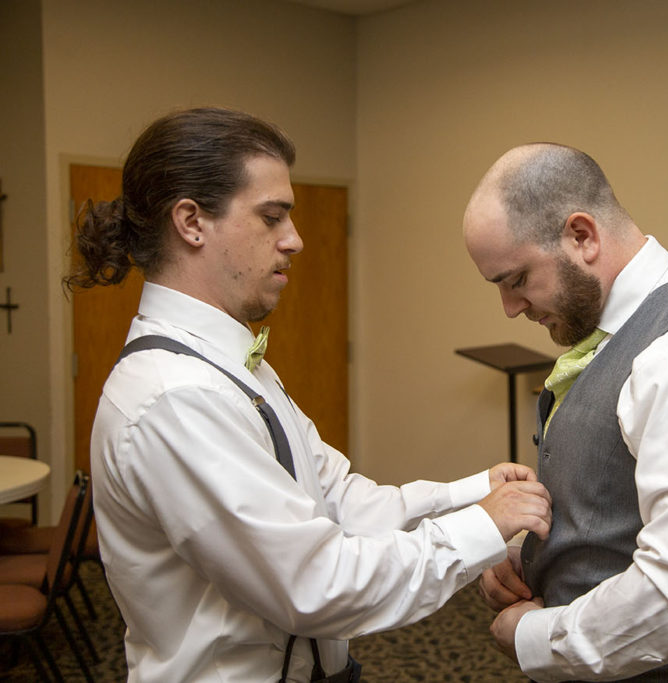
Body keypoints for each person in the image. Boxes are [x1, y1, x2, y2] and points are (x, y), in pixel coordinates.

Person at [65, 107, 552, 682]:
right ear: (191, 222)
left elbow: (340, 502)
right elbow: (315, 585)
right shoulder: (175, 397)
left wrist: (474, 494)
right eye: (272, 217)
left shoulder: (230, 365)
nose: (294, 240)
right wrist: (481, 528)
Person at [463, 143, 668, 682]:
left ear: (581, 236)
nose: (510, 308)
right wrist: (530, 556)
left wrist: (530, 637)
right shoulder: (608, 333)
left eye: (515, 280)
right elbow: (610, 505)